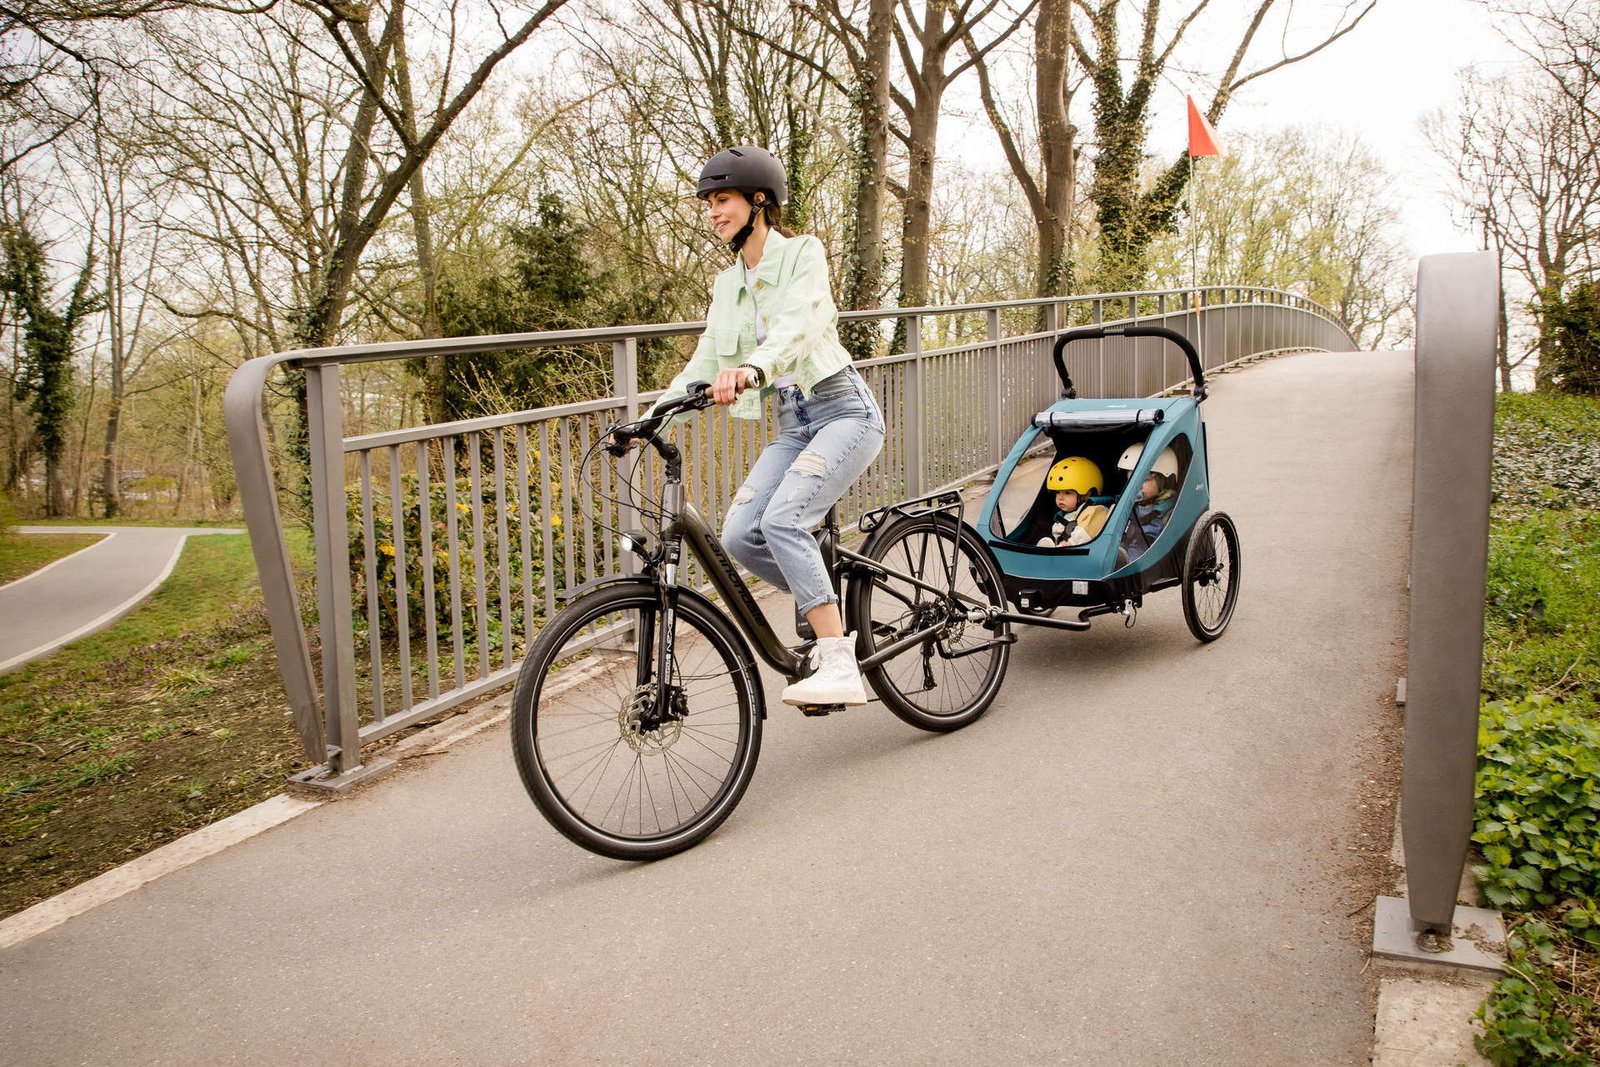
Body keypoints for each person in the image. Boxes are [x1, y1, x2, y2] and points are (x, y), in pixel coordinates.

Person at [648, 145, 886, 707]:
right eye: (708, 202)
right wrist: (648, 415)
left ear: (759, 202)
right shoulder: (727, 285)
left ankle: (837, 661)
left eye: (722, 199)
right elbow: (705, 359)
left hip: (843, 411)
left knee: (783, 519)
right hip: (793, 422)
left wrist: (755, 366)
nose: (712, 211)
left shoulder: (803, 254)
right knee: (740, 534)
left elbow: (798, 325)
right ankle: (825, 601)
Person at [1117, 443, 1179, 562]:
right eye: (1131, 481)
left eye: (1144, 480)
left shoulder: (1169, 508)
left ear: (1162, 480)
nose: (1136, 486)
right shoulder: (1128, 505)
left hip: (1145, 559)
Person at [1035, 456, 1110, 547]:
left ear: (1086, 494)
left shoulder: (1096, 511)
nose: (1060, 497)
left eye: (1067, 493)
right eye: (1057, 492)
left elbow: (1085, 533)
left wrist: (1070, 543)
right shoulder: (1063, 516)